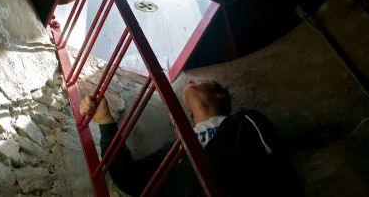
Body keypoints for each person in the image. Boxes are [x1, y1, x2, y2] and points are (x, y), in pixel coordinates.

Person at [80, 80, 304, 196]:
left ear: (219, 94)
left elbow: (280, 168)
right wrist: (105, 120)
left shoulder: (246, 121)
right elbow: (131, 180)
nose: (191, 82)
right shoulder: (176, 148)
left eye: (201, 80)